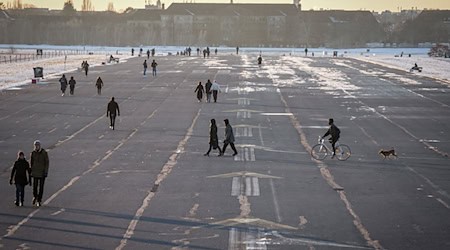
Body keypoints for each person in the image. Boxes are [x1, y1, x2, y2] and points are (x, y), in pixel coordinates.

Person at [30, 140, 49, 207]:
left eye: (37, 145)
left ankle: (39, 200)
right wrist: (31, 171)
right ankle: (35, 196)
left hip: (42, 173)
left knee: (41, 187)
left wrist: (46, 171)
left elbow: (46, 162)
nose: (36, 146)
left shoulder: (44, 153)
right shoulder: (33, 153)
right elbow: (31, 162)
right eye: (35, 145)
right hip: (35, 172)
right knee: (35, 187)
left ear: (39, 145)